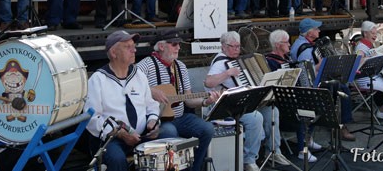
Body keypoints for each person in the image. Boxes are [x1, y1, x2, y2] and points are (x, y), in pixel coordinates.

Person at [137, 30, 219, 171]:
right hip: (156, 120)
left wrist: (206, 101)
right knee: (170, 132)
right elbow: (131, 86)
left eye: (179, 44)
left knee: (207, 129)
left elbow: (188, 99)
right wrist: (150, 91)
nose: (179, 48)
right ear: (162, 46)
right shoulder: (145, 65)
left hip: (180, 117)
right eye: (174, 44)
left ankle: (195, 168)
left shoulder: (180, 66)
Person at [84, 30, 160, 171]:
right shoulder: (98, 79)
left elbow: (151, 105)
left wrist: (153, 121)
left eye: (133, 46)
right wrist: (120, 133)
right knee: (116, 158)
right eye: (127, 47)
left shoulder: (139, 75)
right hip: (111, 140)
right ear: (114, 53)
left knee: (169, 138)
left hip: (142, 135)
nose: (134, 50)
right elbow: (91, 118)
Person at [204, 31, 265, 171]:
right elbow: (208, 82)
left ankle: (269, 151)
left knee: (268, 111)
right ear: (224, 47)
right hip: (222, 106)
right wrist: (227, 73)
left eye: (238, 46)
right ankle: (248, 160)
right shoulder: (220, 62)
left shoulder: (231, 59)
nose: (237, 49)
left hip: (236, 103)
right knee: (256, 118)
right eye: (234, 46)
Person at [290, 18, 356, 141]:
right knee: (342, 89)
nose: (319, 30)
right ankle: (340, 127)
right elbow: (306, 74)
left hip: (313, 80)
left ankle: (337, 124)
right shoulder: (304, 49)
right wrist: (320, 66)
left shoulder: (306, 44)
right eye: (316, 29)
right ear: (309, 33)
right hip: (306, 85)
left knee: (339, 85)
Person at [266, 29, 322, 162]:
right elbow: (275, 85)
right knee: (304, 106)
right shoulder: (271, 62)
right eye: (286, 42)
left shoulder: (287, 59)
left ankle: (307, 139)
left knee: (319, 101)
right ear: (278, 44)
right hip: (281, 101)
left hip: (292, 97)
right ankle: (302, 150)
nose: (289, 45)